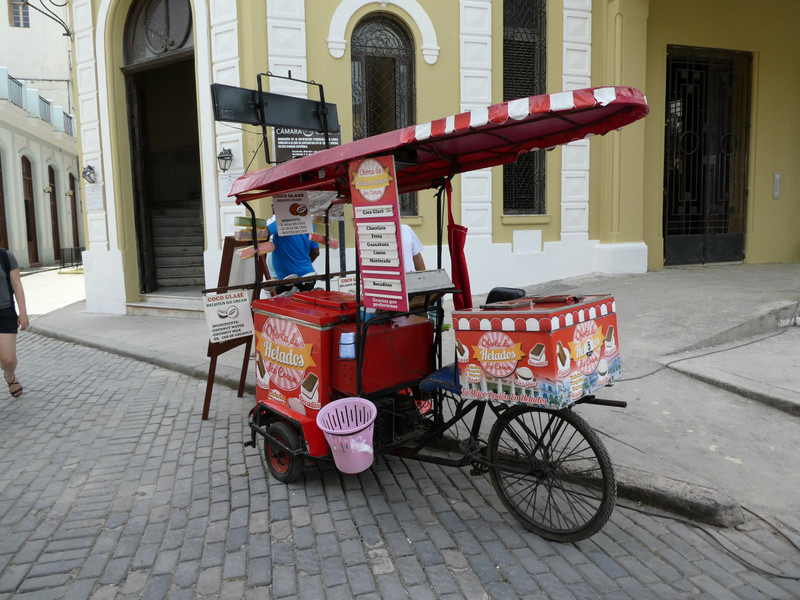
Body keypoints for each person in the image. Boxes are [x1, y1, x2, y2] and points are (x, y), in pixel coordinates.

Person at [0, 248, 29, 398]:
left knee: (8, 359)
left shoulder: (5, 256)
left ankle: (9, 375)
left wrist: (22, 312)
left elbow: (17, 284)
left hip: (4, 312)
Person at [266, 216, 320, 293]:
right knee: (303, 303)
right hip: (308, 274)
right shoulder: (309, 223)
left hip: (286, 280)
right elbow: (316, 252)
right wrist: (301, 266)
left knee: (279, 302)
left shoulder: (279, 220)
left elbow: (262, 234)